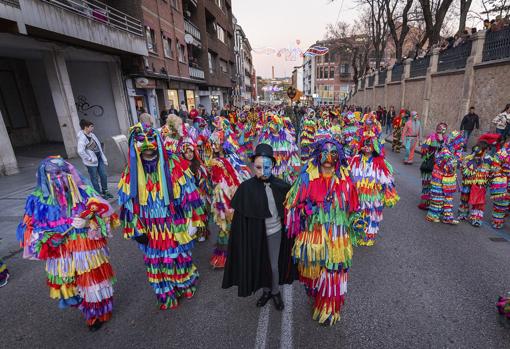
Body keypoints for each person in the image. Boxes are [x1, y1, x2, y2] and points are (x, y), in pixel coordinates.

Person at [16, 156, 118, 331]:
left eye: (63, 172)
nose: (59, 177)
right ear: (44, 176)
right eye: (53, 174)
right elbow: (29, 231)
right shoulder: (37, 200)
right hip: (61, 253)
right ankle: (85, 307)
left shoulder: (84, 192)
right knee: (70, 287)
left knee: (93, 283)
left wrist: (88, 223)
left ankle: (96, 315)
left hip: (87, 248)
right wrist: (46, 237)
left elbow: (107, 218)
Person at [118, 124, 206, 310]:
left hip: (175, 224)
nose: (148, 145)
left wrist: (194, 221)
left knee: (178, 257)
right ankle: (166, 292)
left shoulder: (173, 163)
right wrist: (136, 229)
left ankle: (184, 286)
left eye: (151, 139)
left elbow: (190, 196)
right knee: (157, 261)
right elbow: (128, 204)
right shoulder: (131, 172)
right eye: (141, 141)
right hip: (151, 229)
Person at [285, 134, 361, 326]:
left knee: (334, 271)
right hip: (314, 234)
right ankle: (315, 291)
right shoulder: (307, 178)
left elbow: (352, 208)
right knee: (313, 272)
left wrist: (356, 222)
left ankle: (328, 309)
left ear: (339, 156)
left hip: (337, 235)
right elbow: (292, 205)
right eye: (325, 152)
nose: (329, 157)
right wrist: (307, 209)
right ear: (318, 155)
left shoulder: (345, 180)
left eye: (333, 153)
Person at [222, 143, 297, 310]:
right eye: (258, 167)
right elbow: (240, 218)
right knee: (260, 263)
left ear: (273, 166)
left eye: (267, 167)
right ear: (253, 167)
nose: (263, 171)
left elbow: (292, 209)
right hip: (255, 233)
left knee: (273, 265)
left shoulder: (282, 186)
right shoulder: (246, 189)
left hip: (275, 232)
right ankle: (266, 291)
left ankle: (275, 292)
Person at [349, 127, 399, 246]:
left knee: (371, 215)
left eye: (369, 145)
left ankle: (368, 236)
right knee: (358, 214)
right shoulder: (355, 160)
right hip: (358, 195)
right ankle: (356, 234)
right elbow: (348, 175)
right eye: (364, 144)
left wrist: (388, 193)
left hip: (373, 196)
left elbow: (386, 180)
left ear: (374, 147)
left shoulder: (380, 162)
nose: (366, 147)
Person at [208, 130, 251, 268]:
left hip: (233, 192)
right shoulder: (214, 161)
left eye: (219, 142)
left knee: (235, 222)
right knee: (226, 224)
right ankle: (226, 256)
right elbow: (217, 181)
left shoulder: (231, 157)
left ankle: (239, 252)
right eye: (214, 143)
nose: (216, 145)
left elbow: (238, 173)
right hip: (222, 195)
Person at [426, 131, 464, 224]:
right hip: (439, 177)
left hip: (449, 179)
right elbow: (450, 166)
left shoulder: (455, 152)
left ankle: (448, 217)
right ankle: (432, 215)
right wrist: (457, 161)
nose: (461, 145)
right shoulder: (445, 151)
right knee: (437, 197)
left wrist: (459, 159)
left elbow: (456, 165)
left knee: (448, 198)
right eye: (459, 143)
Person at [77, 119, 113, 199]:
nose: (92, 128)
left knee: (103, 174)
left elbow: (99, 146)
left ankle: (105, 191)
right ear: (86, 127)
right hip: (91, 162)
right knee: (94, 178)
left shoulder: (92, 135)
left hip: (99, 158)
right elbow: (80, 151)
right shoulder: (82, 138)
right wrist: (89, 158)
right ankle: (99, 194)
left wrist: (103, 157)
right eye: (91, 126)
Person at [419, 123, 448, 210]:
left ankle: (434, 202)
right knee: (427, 183)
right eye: (438, 128)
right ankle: (425, 202)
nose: (440, 129)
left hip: (440, 165)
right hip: (429, 164)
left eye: (442, 128)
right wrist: (427, 150)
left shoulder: (446, 139)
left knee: (437, 185)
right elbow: (423, 148)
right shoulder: (431, 137)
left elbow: (448, 150)